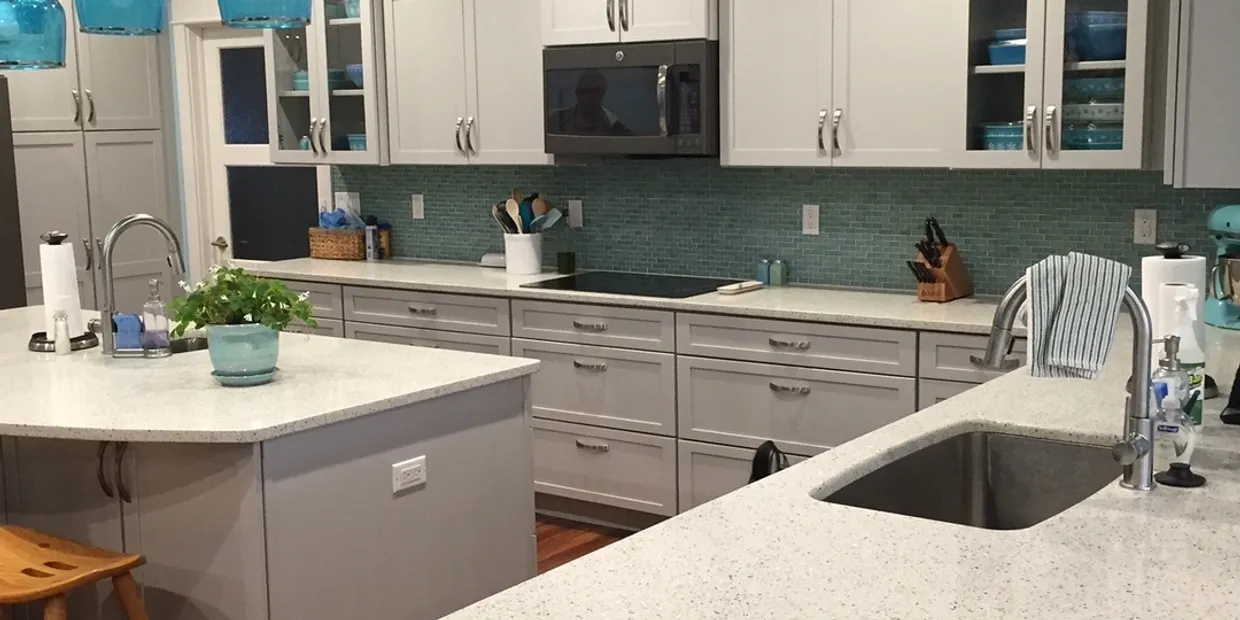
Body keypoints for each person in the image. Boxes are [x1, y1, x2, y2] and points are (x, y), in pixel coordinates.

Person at [547, 70, 634, 136]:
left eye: (596, 90)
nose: (590, 96)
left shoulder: (615, 128)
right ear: (577, 93)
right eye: (585, 91)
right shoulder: (557, 120)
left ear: (603, 93)